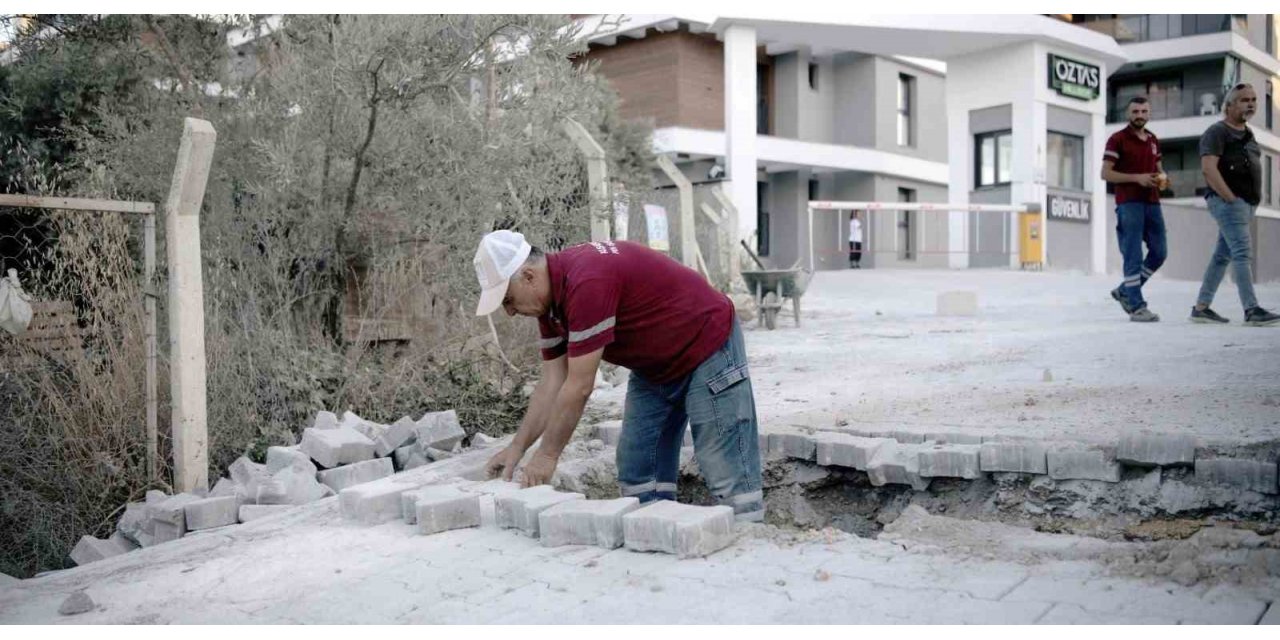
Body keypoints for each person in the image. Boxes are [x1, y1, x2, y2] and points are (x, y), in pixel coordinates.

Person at [474, 230, 765, 521]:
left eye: (508, 300)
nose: (510, 312)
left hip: (707, 345)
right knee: (638, 467)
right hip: (655, 366)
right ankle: (657, 533)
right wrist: (517, 447)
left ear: (528, 276)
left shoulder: (587, 281)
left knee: (724, 468)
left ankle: (746, 535)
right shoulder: (549, 307)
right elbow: (552, 382)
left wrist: (547, 456)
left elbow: (579, 387)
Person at [1192, 83, 1280, 326]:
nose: (1250, 103)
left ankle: (1201, 307)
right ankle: (1251, 310)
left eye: (1253, 99)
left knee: (1222, 255)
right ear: (1229, 106)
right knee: (1242, 253)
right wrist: (1230, 198)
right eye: (1243, 100)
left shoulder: (1249, 134)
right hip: (1228, 202)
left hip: (1246, 205)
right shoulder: (1217, 132)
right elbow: (1208, 168)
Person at [1102, 96, 1168, 322]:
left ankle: (1125, 291)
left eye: (1144, 111)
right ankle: (1137, 306)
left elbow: (1158, 168)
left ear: (1149, 114)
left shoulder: (1153, 139)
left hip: (1152, 202)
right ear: (1128, 114)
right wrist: (1136, 178)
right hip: (1128, 203)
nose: (1139, 115)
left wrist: (1162, 178)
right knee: (1133, 255)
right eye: (1135, 111)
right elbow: (1106, 174)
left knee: (1160, 252)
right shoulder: (1117, 139)